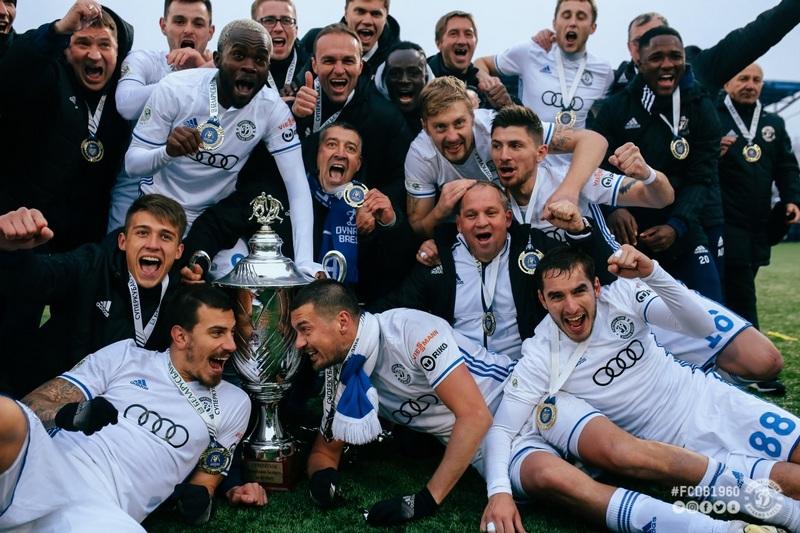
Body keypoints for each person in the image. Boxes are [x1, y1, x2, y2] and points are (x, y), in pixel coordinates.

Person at [294, 280, 778, 533]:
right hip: (488, 449)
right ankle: (724, 530)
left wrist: (428, 498)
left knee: (624, 454)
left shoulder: (408, 328)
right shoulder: (343, 374)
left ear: (342, 321)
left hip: (524, 401)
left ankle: (776, 505)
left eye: (304, 330)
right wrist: (322, 481)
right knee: (557, 482)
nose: (299, 344)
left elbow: (475, 415)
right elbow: (325, 449)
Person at [482, 244, 800, 533]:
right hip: (682, 453)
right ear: (543, 300)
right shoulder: (540, 354)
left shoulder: (622, 295)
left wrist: (653, 273)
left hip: (713, 401)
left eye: (579, 291)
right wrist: (499, 493)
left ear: (596, 287)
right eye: (557, 296)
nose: (571, 307)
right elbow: (503, 430)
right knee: (793, 483)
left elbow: (702, 326)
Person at [492, 104, 784, 389]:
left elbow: (661, 197)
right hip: (572, 311)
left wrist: (648, 174)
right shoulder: (490, 201)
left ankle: (697, 378)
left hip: (622, 288)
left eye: (516, 146)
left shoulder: (570, 177)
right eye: (497, 146)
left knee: (764, 360)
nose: (505, 156)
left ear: (541, 152)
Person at [0, 285, 265, 531]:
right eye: (217, 333)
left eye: (231, 332)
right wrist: (69, 414)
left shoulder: (234, 402)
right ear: (181, 336)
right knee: (7, 413)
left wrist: (198, 502)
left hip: (98, 507)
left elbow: (205, 484)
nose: (231, 345)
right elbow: (33, 404)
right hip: (43, 464)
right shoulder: (125, 355)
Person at [124, 18, 318, 275]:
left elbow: (297, 186)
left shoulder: (272, 108)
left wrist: (304, 261)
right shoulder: (176, 89)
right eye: (238, 55)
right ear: (217, 59)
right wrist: (167, 152)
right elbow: (132, 164)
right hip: (160, 209)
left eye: (260, 60)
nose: (249, 66)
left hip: (212, 221)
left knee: (244, 283)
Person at [374, 181, 615, 360]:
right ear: (459, 224)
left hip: (527, 368)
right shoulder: (438, 259)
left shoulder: (534, 247)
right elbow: (395, 308)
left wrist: (579, 229)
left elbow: (603, 277)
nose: (481, 222)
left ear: (507, 218)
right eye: (471, 215)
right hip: (461, 377)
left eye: (491, 213)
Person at [0, 195, 188, 397]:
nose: (153, 244)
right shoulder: (91, 264)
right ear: (123, 241)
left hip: (119, 409)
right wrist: (10, 250)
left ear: (179, 251)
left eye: (165, 237)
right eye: (142, 233)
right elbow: (37, 277)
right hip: (41, 395)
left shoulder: (183, 299)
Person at [590, 27, 723, 302]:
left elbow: (702, 178)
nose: (667, 64)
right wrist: (614, 209)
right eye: (656, 57)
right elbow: (595, 165)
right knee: (639, 315)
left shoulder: (701, 107)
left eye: (675, 56)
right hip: (628, 237)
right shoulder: (616, 108)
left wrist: (677, 226)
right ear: (639, 61)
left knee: (710, 309)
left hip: (684, 231)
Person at [0, 0, 133, 252]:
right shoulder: (47, 78)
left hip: (87, 253)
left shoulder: (126, 100)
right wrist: (57, 31)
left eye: (105, 44)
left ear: (119, 52)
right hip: (26, 242)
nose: (94, 55)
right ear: (67, 51)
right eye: (83, 43)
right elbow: (11, 70)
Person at [405, 76, 609, 238]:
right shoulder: (420, 156)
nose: (452, 136)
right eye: (440, 127)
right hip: (486, 232)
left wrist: (569, 191)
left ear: (473, 116)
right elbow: (418, 228)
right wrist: (441, 210)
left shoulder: (496, 126)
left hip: (541, 211)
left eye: (459, 123)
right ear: (425, 126)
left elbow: (593, 141)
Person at [109, 0, 216, 231]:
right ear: (163, 25)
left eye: (198, 24)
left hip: (194, 203)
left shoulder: (219, 74)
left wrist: (207, 72)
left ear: (210, 32)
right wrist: (195, 75)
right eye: (179, 21)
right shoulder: (144, 60)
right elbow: (126, 104)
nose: (188, 30)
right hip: (133, 195)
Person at [291, 23, 413, 207]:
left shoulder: (385, 117)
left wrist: (374, 206)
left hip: (355, 217)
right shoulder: (292, 105)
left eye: (348, 61)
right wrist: (294, 119)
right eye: (329, 61)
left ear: (360, 66)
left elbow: (403, 178)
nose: (339, 70)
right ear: (314, 64)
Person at [718, 63, 800, 328]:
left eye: (756, 80)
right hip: (723, 219)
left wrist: (792, 199)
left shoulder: (772, 123)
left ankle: (730, 339)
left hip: (759, 222)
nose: (750, 85)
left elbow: (787, 167)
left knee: (740, 284)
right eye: (743, 78)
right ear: (727, 84)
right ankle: (751, 348)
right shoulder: (712, 116)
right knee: (740, 290)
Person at [308, 122, 417, 304]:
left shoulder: (371, 205)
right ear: (318, 154)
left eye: (350, 148)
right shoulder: (296, 196)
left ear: (358, 164)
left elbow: (398, 268)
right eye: (332, 144)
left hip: (353, 307)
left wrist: (389, 223)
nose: (340, 154)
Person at [474, 0, 613, 130]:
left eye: (581, 17)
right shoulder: (530, 52)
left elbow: (606, 115)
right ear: (555, 23)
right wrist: (489, 82)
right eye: (566, 16)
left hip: (577, 149)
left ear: (593, 28)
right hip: (531, 147)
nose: (572, 23)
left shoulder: (604, 71)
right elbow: (480, 63)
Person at [613, 2, 800, 96]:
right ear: (629, 48)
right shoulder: (612, 84)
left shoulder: (700, 69)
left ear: (673, 41)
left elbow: (758, 34)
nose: (647, 48)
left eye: (655, 38)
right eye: (639, 41)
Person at [427, 10, 513, 110]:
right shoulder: (421, 76)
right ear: (439, 43)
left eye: (468, 34)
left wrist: (506, 105)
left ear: (475, 42)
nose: (462, 41)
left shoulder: (489, 86)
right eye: (453, 34)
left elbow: (523, 116)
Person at [300, 0, 400, 79]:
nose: (367, 21)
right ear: (346, 13)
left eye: (376, 14)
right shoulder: (313, 42)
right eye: (360, 12)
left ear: (386, 17)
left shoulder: (398, 62)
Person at [251, 0, 309, 97]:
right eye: (269, 20)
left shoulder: (315, 66)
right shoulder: (239, 69)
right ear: (253, 29)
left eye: (286, 20)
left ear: (296, 30)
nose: (279, 28)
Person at [374, 41, 433, 135]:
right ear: (384, 79)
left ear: (426, 77)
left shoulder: (443, 114)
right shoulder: (368, 114)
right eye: (395, 74)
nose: (404, 80)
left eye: (413, 73)